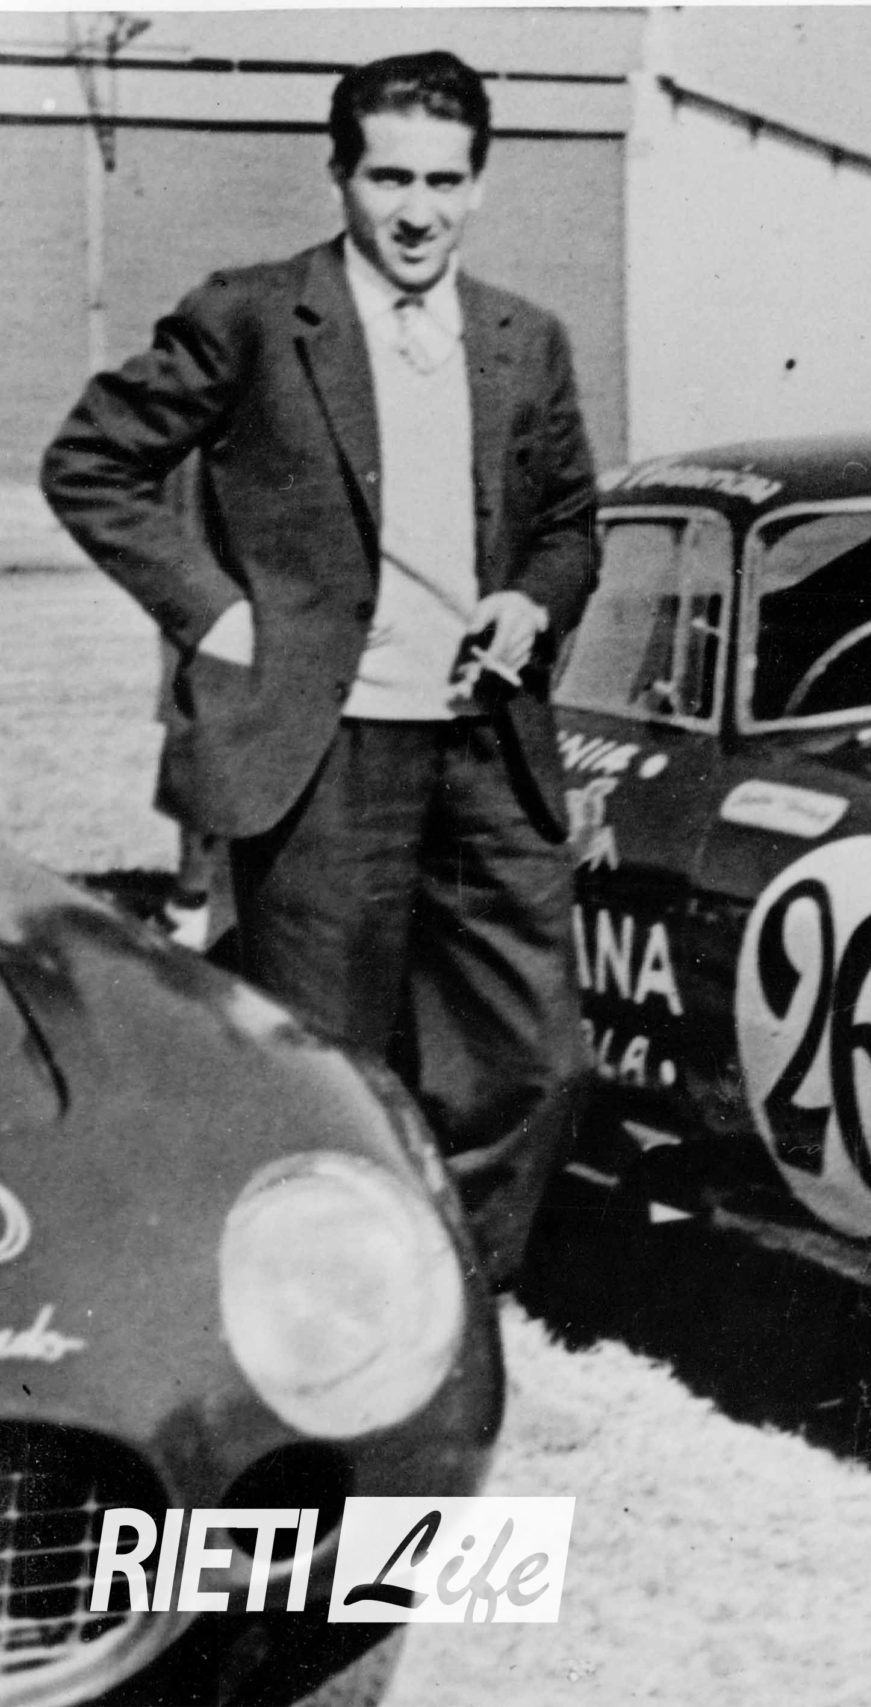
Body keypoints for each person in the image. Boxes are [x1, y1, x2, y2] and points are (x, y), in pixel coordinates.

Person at [42, 50, 600, 1283]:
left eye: (444, 182)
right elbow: (90, 461)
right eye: (389, 177)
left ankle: (450, 1297)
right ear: (339, 175)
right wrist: (214, 615)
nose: (418, 211)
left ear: (479, 186)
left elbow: (570, 524)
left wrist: (530, 598)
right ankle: (332, 1311)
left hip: (487, 752)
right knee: (329, 1070)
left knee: (533, 1060)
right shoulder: (253, 316)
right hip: (325, 752)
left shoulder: (526, 340)